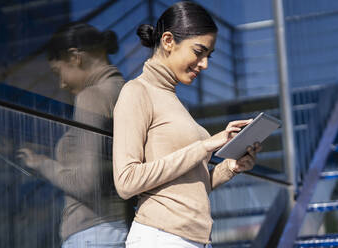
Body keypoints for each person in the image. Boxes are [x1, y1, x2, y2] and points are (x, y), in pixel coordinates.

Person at [112, 2, 262, 248]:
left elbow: (185, 189)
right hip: (161, 237)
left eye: (208, 56)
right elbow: (126, 181)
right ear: (168, 41)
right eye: (199, 52)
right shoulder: (136, 92)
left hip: (192, 239)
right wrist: (204, 146)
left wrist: (230, 168)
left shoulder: (175, 102)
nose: (204, 64)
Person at [17, 22, 128, 247]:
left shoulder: (93, 96)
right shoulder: (127, 91)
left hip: (93, 233)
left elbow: (87, 183)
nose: (62, 83)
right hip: (116, 228)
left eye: (59, 72)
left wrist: (42, 163)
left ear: (75, 56)